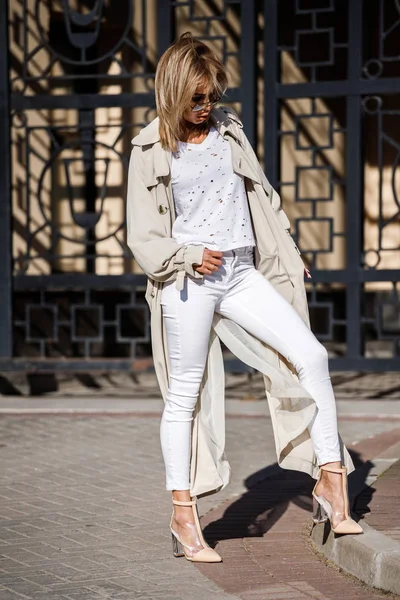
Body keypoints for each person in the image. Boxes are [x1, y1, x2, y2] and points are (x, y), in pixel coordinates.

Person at [126, 32, 363, 564]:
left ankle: (331, 479)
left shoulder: (229, 131)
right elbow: (142, 236)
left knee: (312, 356)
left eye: (213, 96)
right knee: (185, 395)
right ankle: (184, 515)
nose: (207, 108)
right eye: (197, 98)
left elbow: (262, 195)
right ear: (173, 92)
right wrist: (187, 255)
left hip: (240, 271)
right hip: (187, 282)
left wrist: (288, 247)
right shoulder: (149, 149)